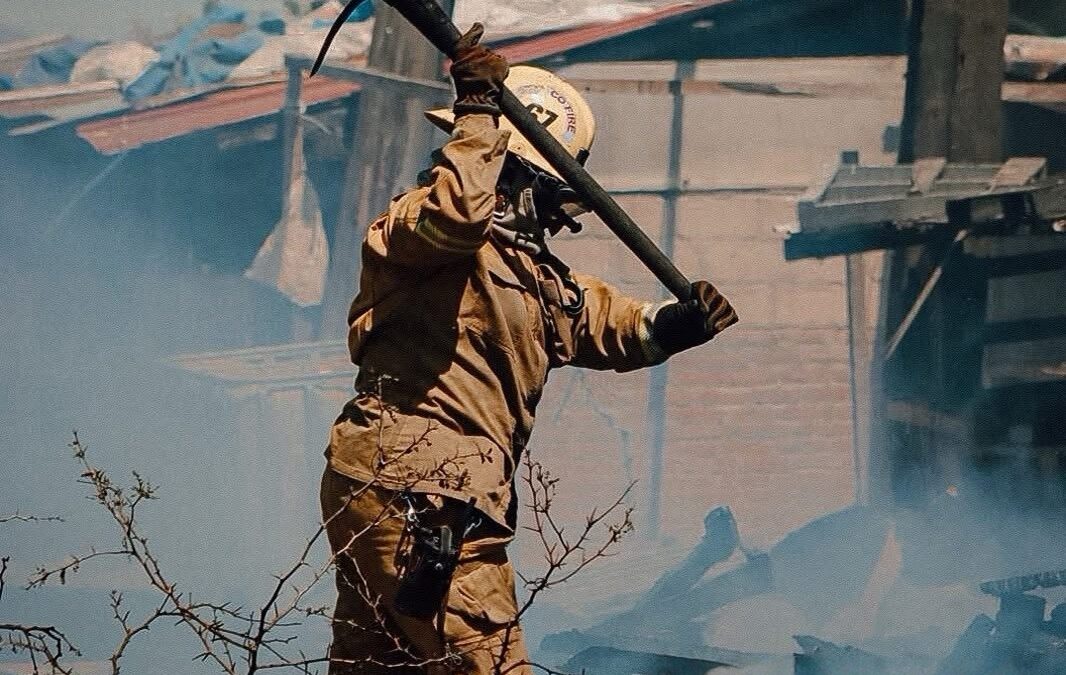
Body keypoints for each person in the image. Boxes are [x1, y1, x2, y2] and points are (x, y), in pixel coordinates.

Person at [319, 23, 738, 675]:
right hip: (424, 490)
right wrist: (479, 115)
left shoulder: (532, 278)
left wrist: (675, 323)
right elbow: (459, 214)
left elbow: (602, 320)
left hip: (422, 490)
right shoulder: (422, 231)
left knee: (383, 665)